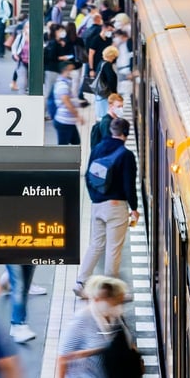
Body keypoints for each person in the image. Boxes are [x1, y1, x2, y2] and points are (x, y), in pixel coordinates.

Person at [74, 118, 138, 295]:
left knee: (96, 245)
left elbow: (88, 176)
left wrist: (96, 198)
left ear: (111, 131)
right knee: (113, 248)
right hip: (116, 207)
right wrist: (134, 208)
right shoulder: (126, 155)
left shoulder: (97, 149)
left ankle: (81, 282)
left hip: (97, 205)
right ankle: (110, 291)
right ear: (125, 133)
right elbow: (129, 185)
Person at [52, 61, 84, 145]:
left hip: (69, 121)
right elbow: (66, 102)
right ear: (65, 70)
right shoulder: (62, 85)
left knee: (76, 144)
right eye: (71, 69)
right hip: (64, 121)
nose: (73, 72)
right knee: (63, 146)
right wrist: (77, 116)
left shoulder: (66, 83)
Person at [92, 45, 118, 118]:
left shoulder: (101, 62)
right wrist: (114, 93)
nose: (115, 58)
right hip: (106, 93)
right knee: (106, 112)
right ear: (111, 56)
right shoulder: (107, 65)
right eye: (114, 56)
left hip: (100, 92)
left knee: (101, 112)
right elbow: (111, 79)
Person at [9, 19, 30, 91]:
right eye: (27, 27)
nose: (28, 29)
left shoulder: (35, 37)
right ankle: (18, 86)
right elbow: (14, 46)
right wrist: (15, 54)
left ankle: (27, 88)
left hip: (31, 62)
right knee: (22, 79)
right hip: (22, 60)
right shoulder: (21, 36)